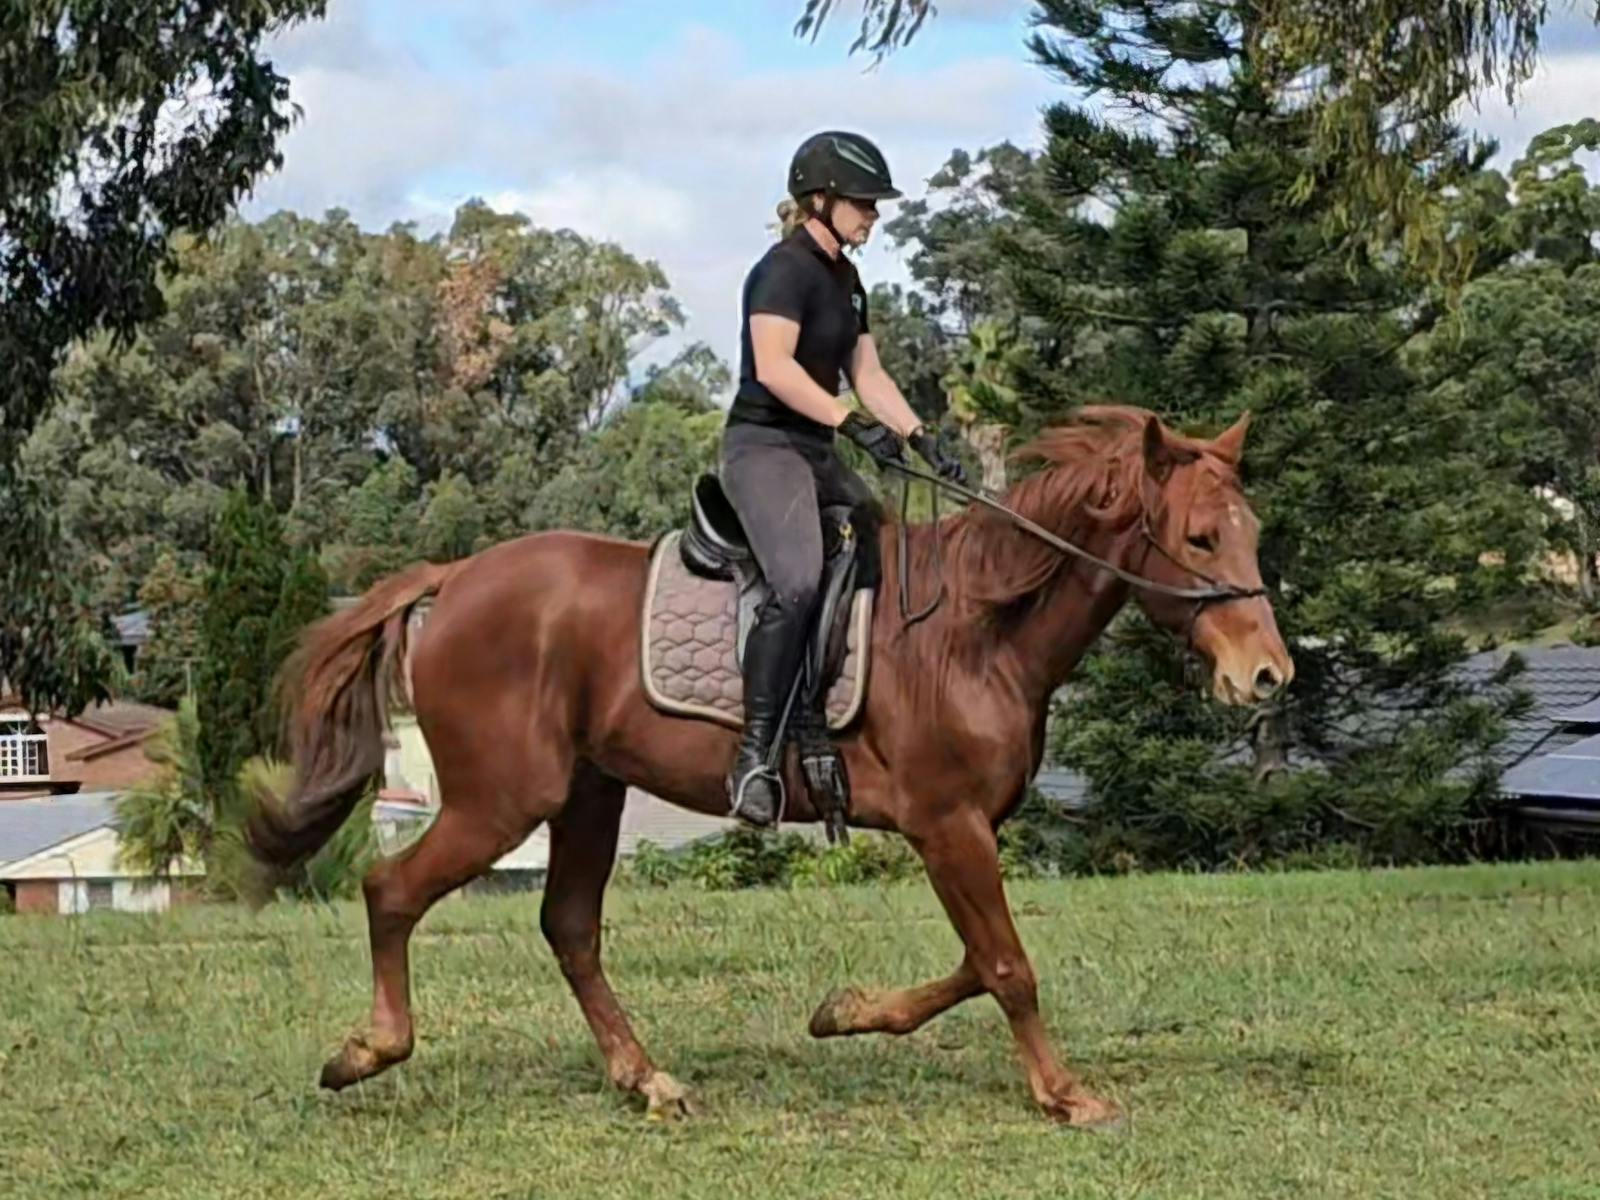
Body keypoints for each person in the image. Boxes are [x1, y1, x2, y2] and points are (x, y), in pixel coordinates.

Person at [721, 130, 967, 829]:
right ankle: (755, 759)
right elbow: (773, 367)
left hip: (818, 451)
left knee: (881, 554)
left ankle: (827, 718)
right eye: (863, 203)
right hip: (763, 446)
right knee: (797, 579)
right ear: (819, 200)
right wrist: (846, 419)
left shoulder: (847, 281)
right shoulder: (780, 271)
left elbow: (868, 374)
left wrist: (920, 437)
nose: (874, 215)